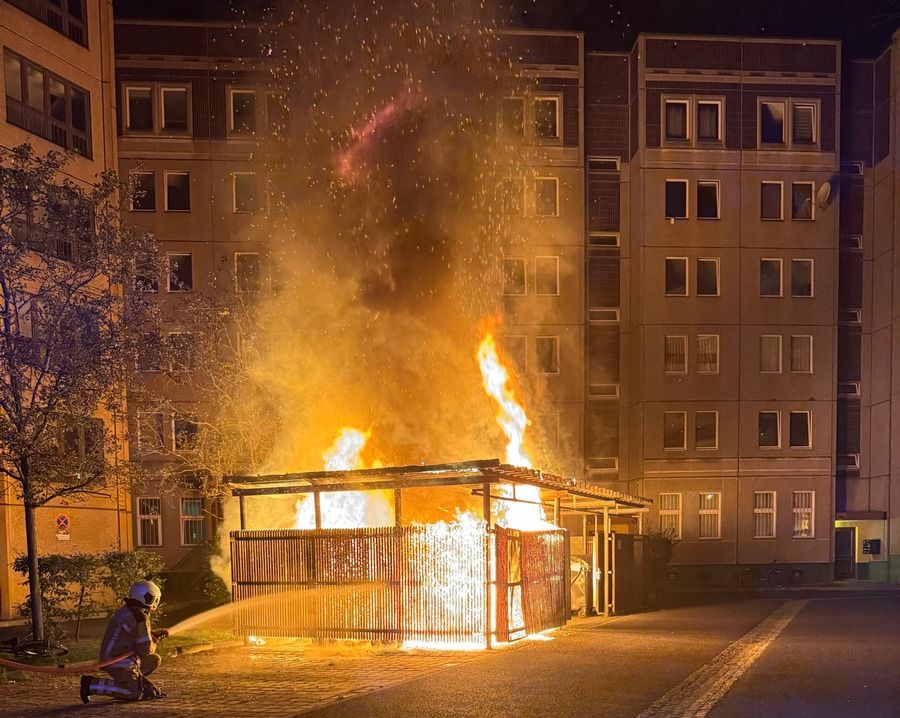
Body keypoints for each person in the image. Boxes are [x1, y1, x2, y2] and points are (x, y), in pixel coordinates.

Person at [80, 580, 168, 702]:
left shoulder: (130, 611)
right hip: (117, 660)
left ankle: (136, 682)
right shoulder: (139, 617)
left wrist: (152, 635)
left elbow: (135, 635)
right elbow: (145, 649)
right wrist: (155, 641)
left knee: (154, 660)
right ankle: (91, 685)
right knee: (134, 693)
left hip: (121, 657)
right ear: (148, 598)